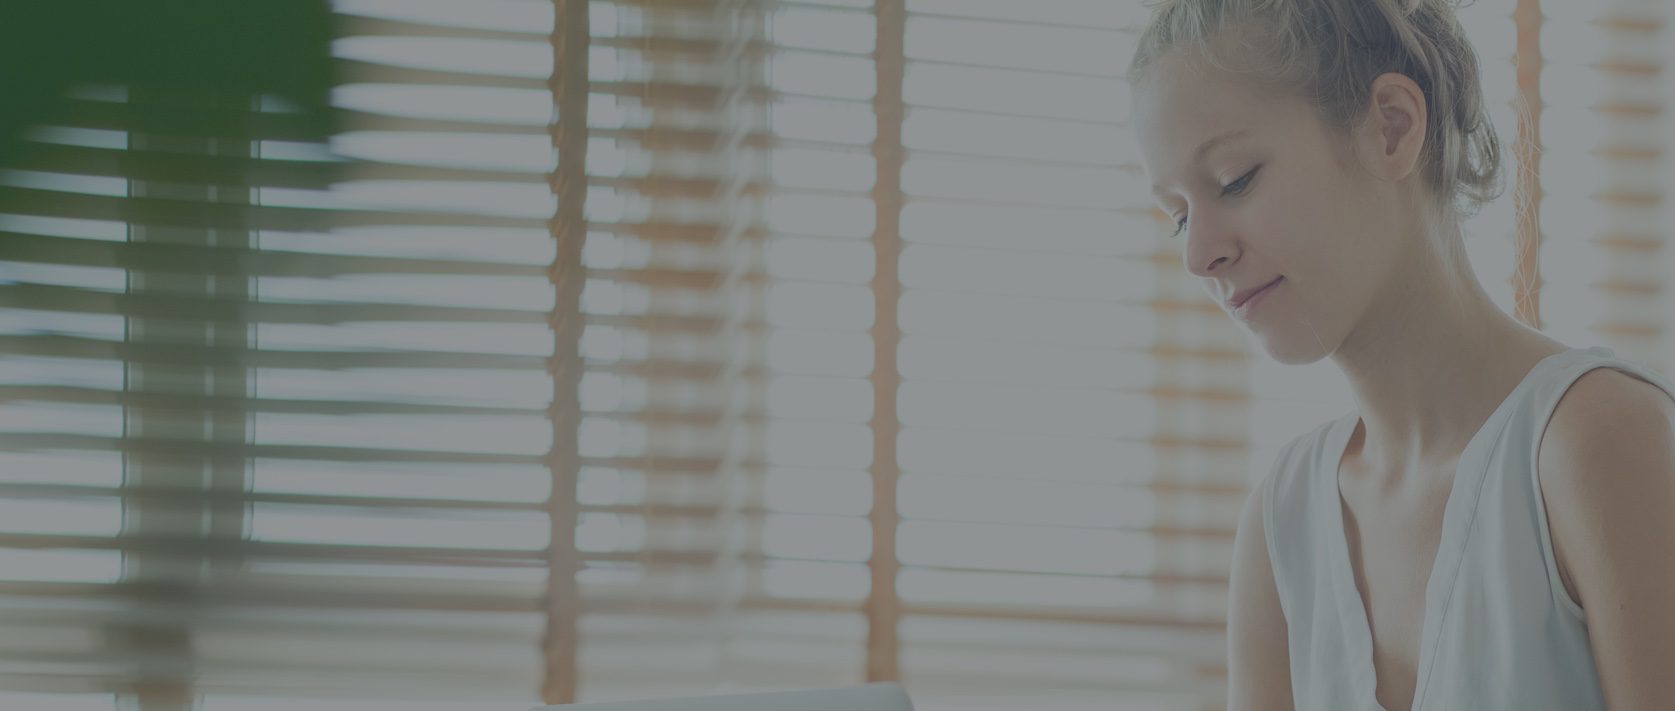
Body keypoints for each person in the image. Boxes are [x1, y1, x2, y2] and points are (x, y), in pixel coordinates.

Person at [1126, 0, 1675, 709]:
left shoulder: (1597, 441)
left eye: (1234, 179)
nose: (1200, 254)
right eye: (1176, 214)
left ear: (1390, 127)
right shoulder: (1281, 521)